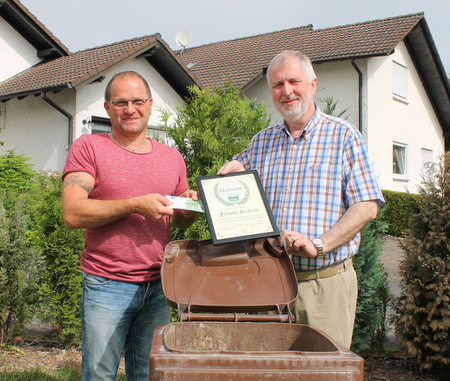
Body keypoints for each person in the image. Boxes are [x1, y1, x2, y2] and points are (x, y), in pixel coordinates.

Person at [219, 51, 384, 349]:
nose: (287, 91)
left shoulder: (344, 136)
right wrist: (230, 176)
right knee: (267, 370)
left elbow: (367, 205)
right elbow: (235, 178)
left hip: (324, 284)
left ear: (313, 84)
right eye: (278, 84)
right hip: (269, 284)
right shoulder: (260, 142)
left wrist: (318, 244)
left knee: (323, 371)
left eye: (294, 81)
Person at [62, 71, 199, 380]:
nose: (130, 109)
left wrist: (190, 205)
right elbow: (72, 213)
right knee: (100, 374)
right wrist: (135, 204)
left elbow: (179, 221)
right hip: (106, 283)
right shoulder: (89, 147)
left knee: (148, 374)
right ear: (108, 108)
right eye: (121, 102)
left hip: (157, 285)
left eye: (138, 101)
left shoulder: (172, 157)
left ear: (150, 105)